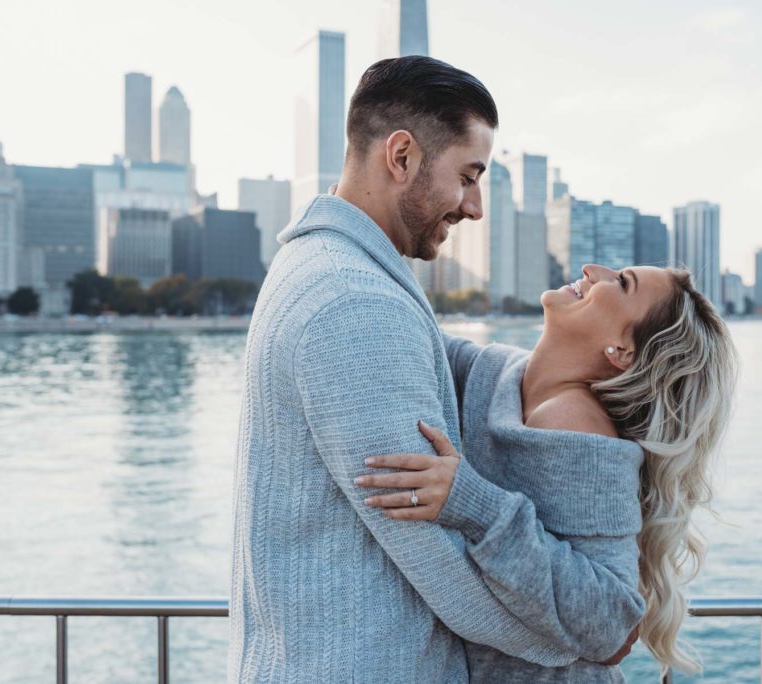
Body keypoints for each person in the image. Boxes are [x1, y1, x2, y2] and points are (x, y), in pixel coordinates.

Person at [229, 56, 642, 683]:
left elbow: (452, 362)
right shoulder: (355, 302)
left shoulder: (328, 268)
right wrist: (587, 643)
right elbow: (449, 575)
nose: (474, 207)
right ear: (401, 156)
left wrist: (565, 379)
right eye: (468, 176)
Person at [357, 264, 739, 680]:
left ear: (621, 350)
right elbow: (411, 333)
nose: (593, 270)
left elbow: (611, 621)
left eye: (623, 282)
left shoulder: (579, 425)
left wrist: (470, 503)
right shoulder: (500, 373)